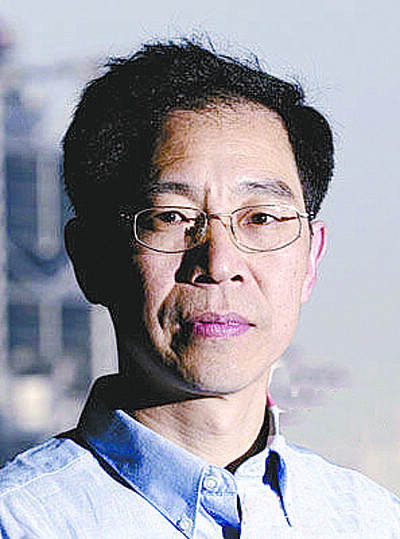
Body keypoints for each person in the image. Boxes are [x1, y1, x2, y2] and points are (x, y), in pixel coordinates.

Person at [0, 38, 399, 538]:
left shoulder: (372, 521)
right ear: (91, 258)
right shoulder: (23, 523)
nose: (219, 263)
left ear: (310, 259)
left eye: (261, 218)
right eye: (172, 216)